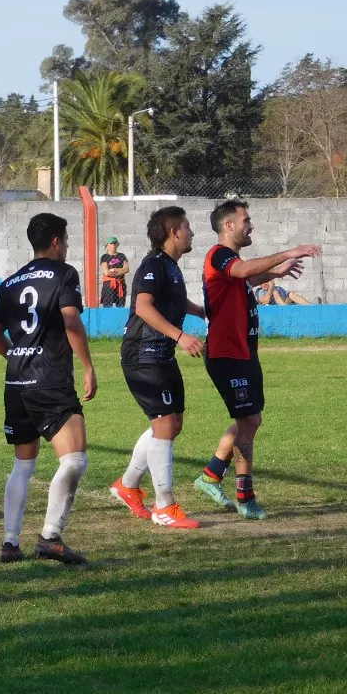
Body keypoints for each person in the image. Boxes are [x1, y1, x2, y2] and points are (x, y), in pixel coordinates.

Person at [192, 200, 320, 520]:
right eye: (246, 220)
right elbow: (243, 271)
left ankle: (211, 476)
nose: (251, 225)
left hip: (244, 352)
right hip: (226, 354)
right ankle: (244, 497)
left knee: (250, 420)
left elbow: (244, 279)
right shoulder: (219, 255)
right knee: (248, 421)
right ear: (229, 226)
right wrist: (287, 253)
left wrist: (276, 272)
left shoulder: (231, 264)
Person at [0, 212, 97, 566]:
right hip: (50, 379)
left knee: (23, 465)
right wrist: (88, 366)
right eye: (66, 240)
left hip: (16, 382)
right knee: (74, 459)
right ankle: (50, 536)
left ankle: (9, 543)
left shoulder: (10, 282)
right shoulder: (64, 273)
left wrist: (18, 356)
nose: (67, 247)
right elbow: (70, 319)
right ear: (55, 241)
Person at [111, 206, 207, 528]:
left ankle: (127, 485)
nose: (192, 232)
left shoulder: (170, 266)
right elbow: (143, 306)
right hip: (143, 353)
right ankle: (164, 505)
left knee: (172, 423)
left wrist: (200, 311)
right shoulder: (153, 264)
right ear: (174, 232)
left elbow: (173, 301)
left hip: (161, 354)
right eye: (187, 227)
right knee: (165, 424)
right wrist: (180, 336)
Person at [99, 237, 129, 307]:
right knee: (107, 306)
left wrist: (114, 270)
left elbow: (126, 269)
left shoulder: (121, 256)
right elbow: (106, 272)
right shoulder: (105, 257)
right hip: (109, 284)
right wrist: (120, 271)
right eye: (111, 243)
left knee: (121, 306)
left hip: (120, 283)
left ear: (117, 244)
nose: (113, 245)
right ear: (108, 245)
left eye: (115, 243)